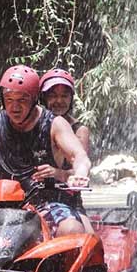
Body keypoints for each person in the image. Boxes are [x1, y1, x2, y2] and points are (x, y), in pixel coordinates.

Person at [0, 65, 91, 243]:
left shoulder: (55, 124)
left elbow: (79, 157)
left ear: (35, 99)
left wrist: (80, 175)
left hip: (46, 203)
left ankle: (60, 269)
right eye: (9, 99)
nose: (14, 106)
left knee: (73, 229)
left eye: (22, 99)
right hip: (2, 204)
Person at [37, 68, 91, 221]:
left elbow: (82, 172)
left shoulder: (79, 130)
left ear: (71, 99)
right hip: (33, 200)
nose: (59, 101)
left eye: (64, 96)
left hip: (68, 202)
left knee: (87, 238)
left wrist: (57, 173)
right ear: (43, 98)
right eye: (53, 96)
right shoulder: (32, 127)